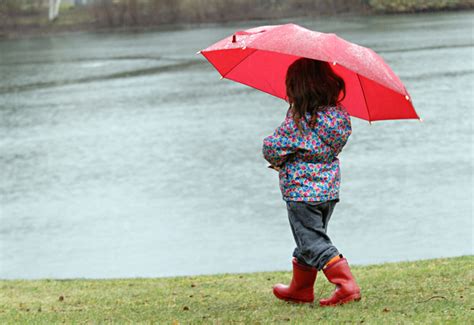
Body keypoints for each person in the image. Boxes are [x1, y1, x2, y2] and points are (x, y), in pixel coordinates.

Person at [262, 58, 361, 306]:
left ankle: (346, 285)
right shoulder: (338, 117)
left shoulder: (299, 121)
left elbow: (271, 149)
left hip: (300, 193)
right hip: (327, 191)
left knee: (312, 240)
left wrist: (281, 155)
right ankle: (300, 289)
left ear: (297, 88)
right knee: (310, 238)